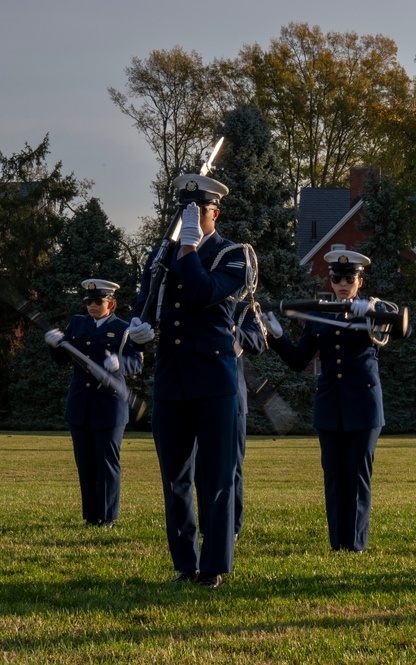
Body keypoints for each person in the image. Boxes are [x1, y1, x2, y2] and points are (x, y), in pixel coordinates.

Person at [128, 173, 256, 588]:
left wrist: (185, 246)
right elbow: (146, 302)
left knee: (215, 478)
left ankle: (214, 567)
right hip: (171, 378)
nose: (189, 217)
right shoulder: (160, 254)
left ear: (214, 213)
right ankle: (185, 562)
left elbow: (204, 292)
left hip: (213, 380)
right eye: (184, 210)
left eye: (198, 211)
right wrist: (139, 329)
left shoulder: (233, 254)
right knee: (175, 478)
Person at [261, 248, 401, 553]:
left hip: (363, 406)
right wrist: (277, 335)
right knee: (335, 478)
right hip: (330, 406)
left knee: (357, 476)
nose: (342, 283)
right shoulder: (319, 315)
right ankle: (337, 544)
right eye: (337, 278)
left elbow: (401, 325)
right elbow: (299, 360)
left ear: (359, 281)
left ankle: (356, 545)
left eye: (349, 278)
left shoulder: (375, 310)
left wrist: (371, 314)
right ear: (330, 279)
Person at [45, 279, 143, 528]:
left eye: (98, 301)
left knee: (107, 462)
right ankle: (91, 516)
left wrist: (121, 362)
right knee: (85, 462)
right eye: (88, 301)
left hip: (109, 405)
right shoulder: (78, 323)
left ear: (111, 303)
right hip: (80, 404)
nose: (92, 305)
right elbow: (62, 359)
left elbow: (137, 362)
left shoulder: (123, 329)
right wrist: (54, 345)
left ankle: (108, 516)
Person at [232, 299, 267, 541]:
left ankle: (232, 525)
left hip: (232, 398)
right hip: (195, 395)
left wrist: (235, 331)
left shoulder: (243, 308)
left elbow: (257, 342)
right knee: (200, 469)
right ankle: (208, 523)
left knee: (232, 467)